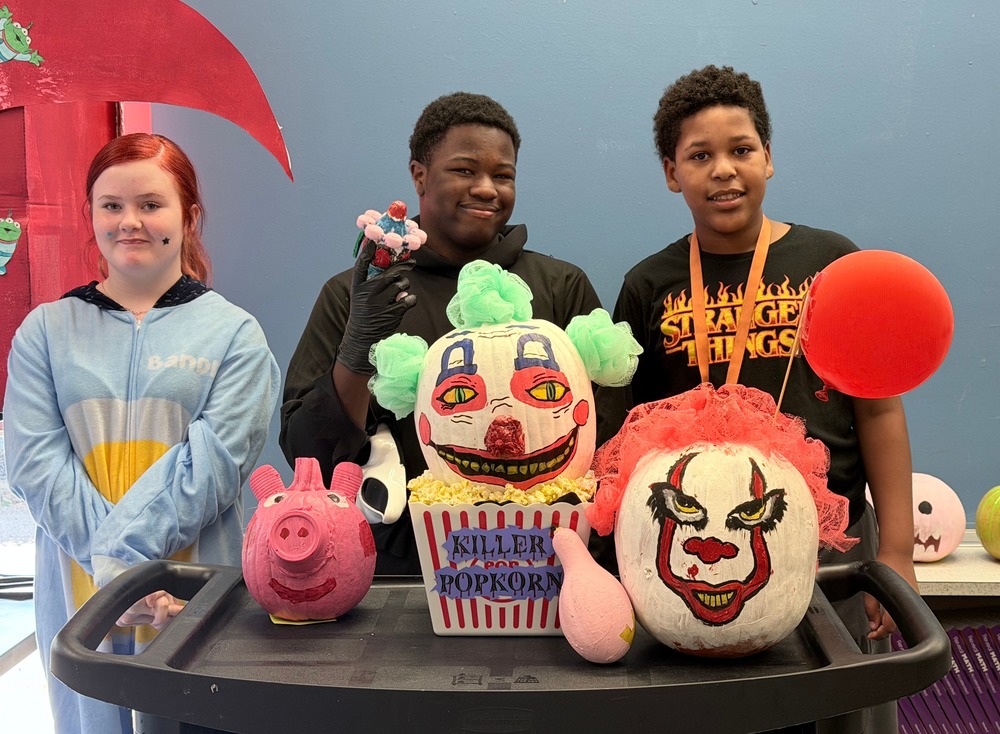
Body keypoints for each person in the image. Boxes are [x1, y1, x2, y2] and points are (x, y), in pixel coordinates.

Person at [611, 66, 914, 733]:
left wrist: (895, 553)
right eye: (700, 155)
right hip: (698, 546)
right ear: (671, 172)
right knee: (717, 710)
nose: (724, 170)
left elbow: (880, 410)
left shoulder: (832, 262)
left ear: (768, 159)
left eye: (741, 150)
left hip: (833, 548)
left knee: (836, 707)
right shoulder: (649, 284)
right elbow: (630, 441)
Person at [3, 133, 280, 734]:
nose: (130, 221)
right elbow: (36, 466)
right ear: (91, 215)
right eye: (111, 205)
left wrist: (127, 573)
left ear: (189, 215)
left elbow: (211, 470)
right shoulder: (45, 332)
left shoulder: (235, 335)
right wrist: (116, 580)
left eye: (151, 205)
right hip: (83, 603)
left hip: (190, 600)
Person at [281, 92, 611, 575]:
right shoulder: (359, 294)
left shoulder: (560, 288)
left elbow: (606, 442)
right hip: (400, 574)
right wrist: (355, 352)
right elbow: (309, 461)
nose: (486, 188)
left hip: (550, 563)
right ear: (419, 175)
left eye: (503, 175)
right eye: (464, 170)